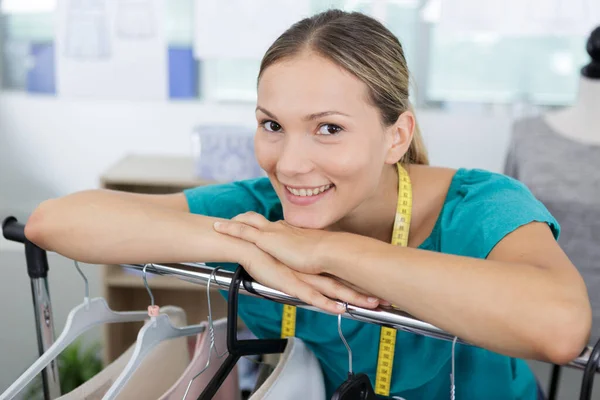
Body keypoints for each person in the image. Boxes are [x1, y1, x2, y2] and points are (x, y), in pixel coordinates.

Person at [24, 9, 591, 400]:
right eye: (272, 124)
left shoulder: (479, 205)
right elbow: (55, 222)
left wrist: (323, 249)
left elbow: (561, 327)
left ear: (397, 136)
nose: (290, 164)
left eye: (328, 128)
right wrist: (245, 243)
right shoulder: (261, 211)